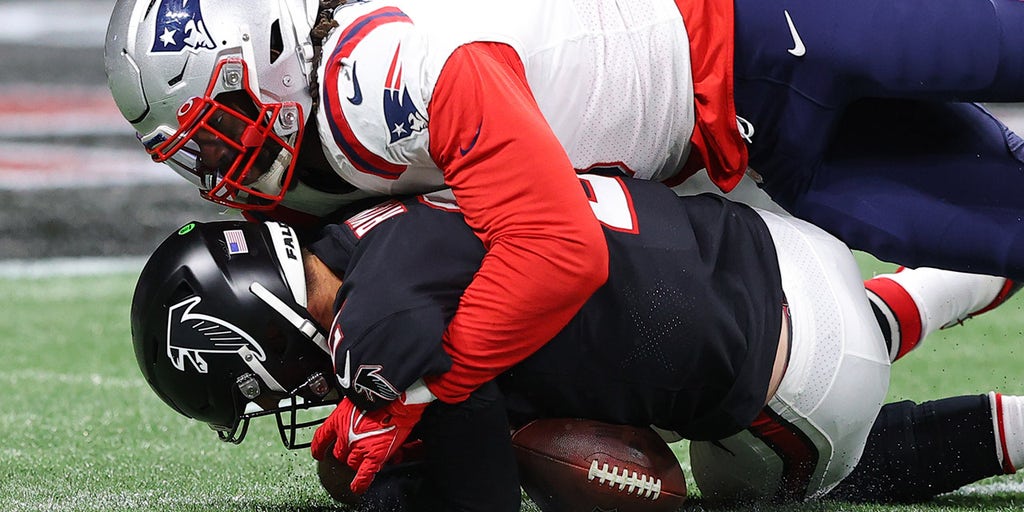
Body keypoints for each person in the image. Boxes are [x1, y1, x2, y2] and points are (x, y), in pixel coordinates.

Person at [130, 175, 1022, 509]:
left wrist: (392, 459)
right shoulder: (381, 208)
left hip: (810, 382)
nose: (289, 391)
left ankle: (1014, 428)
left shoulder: (379, 334)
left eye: (268, 379)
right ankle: (986, 258)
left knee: (723, 485)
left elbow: (477, 498)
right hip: (776, 246)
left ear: (257, 325)